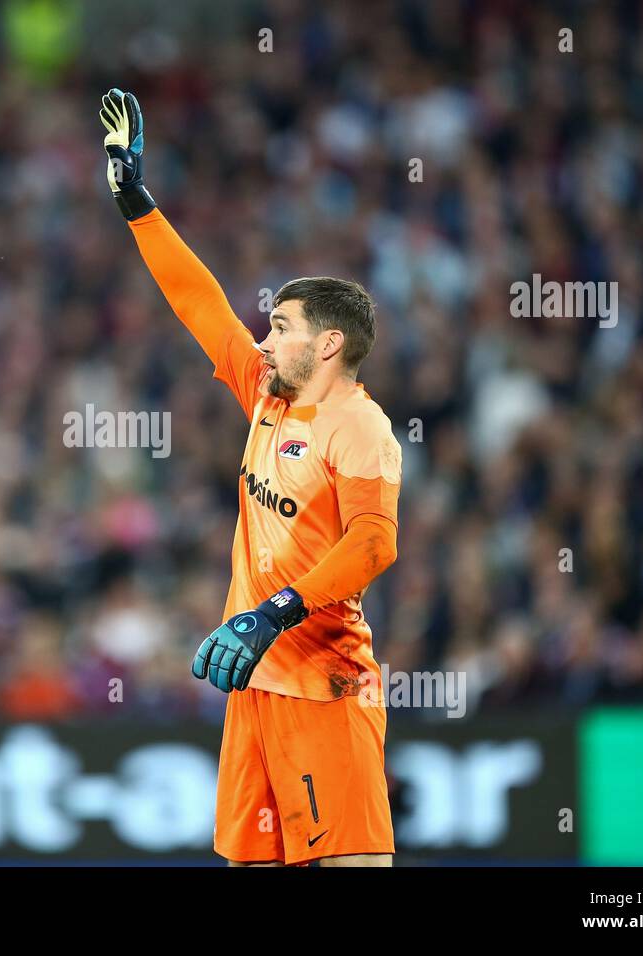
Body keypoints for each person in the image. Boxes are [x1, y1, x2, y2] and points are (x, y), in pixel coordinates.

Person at [101, 89, 402, 867]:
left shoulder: (360, 428)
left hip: (324, 687)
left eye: (281, 327)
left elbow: (373, 544)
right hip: (254, 682)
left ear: (329, 344)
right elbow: (200, 303)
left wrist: (273, 612)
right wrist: (139, 205)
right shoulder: (267, 393)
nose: (262, 340)